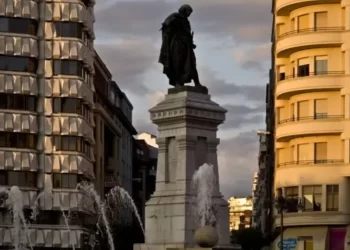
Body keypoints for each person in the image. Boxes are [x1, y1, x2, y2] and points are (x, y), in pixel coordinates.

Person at [159, 4, 202, 88]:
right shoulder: (174, 17)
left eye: (190, 13)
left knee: (192, 62)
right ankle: (178, 83)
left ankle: (197, 83)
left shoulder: (186, 21)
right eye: (188, 12)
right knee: (178, 63)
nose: (189, 14)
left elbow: (188, 33)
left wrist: (191, 43)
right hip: (177, 44)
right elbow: (166, 28)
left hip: (187, 45)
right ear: (183, 10)